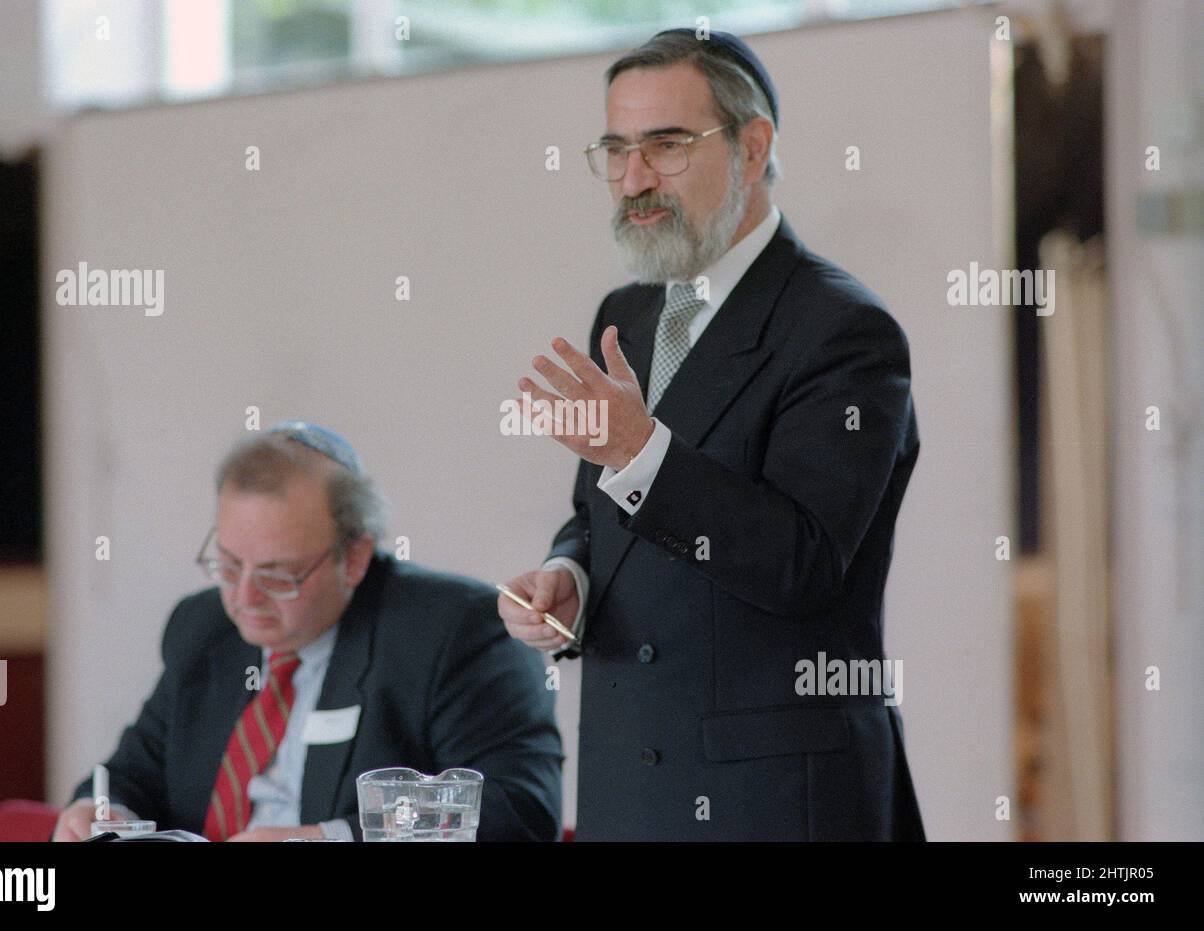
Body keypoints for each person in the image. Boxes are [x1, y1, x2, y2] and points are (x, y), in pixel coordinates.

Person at [498, 29, 925, 840]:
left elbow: (803, 563)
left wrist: (637, 451)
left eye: (665, 146)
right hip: (630, 791)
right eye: (616, 149)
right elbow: (600, 516)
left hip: (775, 803)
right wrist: (568, 579)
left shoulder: (843, 330)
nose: (633, 179)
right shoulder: (626, 314)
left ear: (752, 146)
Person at [55, 422, 562, 841]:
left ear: (355, 557)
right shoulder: (204, 627)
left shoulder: (455, 632)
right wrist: (100, 811)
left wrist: (329, 838)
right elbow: (127, 774)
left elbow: (516, 810)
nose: (245, 598)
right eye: (229, 565)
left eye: (278, 575)